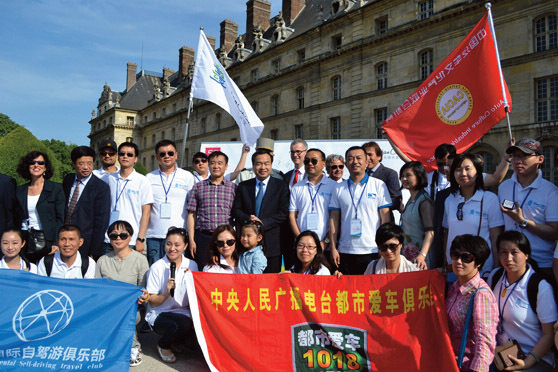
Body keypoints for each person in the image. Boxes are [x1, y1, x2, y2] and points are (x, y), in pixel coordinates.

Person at [487, 230, 557, 371]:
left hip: (534, 357)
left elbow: (549, 335)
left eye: (514, 252)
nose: (509, 258)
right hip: (501, 353)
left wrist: (527, 363)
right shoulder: (495, 276)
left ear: (526, 255)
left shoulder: (540, 286)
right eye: (503, 252)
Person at [498, 139, 558, 280]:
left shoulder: (551, 192)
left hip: (541, 265)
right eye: (515, 156)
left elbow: (555, 232)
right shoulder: (504, 187)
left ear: (540, 159)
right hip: (510, 265)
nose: (518, 161)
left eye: (524, 156)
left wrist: (523, 221)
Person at [329, 146, 392, 275]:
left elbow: (385, 218)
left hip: (372, 249)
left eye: (359, 158)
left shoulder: (378, 185)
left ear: (366, 162)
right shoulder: (338, 188)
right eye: (351, 159)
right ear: (346, 164)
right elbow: (334, 219)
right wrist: (334, 248)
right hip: (345, 250)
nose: (355, 162)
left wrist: (383, 246)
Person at [96, 220, 149, 367]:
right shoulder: (102, 260)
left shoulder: (140, 260)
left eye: (123, 235)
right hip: (108, 306)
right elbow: (97, 290)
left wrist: (143, 297)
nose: (118, 239)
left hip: (133, 307)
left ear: (130, 237)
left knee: (125, 315)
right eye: (114, 236)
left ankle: (133, 347)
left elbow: (144, 288)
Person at [142, 227, 198, 363]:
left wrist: (194, 315)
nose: (172, 248)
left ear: (185, 246)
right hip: (160, 312)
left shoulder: (192, 265)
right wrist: (167, 293)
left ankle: (176, 340)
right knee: (174, 326)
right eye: (168, 244)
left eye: (177, 245)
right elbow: (153, 302)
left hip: (182, 312)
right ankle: (163, 345)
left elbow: (194, 295)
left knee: (190, 336)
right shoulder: (157, 267)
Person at [443, 153, 504, 275]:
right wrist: (446, 261)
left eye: (467, 169)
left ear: (478, 172)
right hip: (454, 267)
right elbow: (447, 232)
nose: (463, 174)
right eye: (458, 170)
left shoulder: (490, 199)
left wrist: (497, 268)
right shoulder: (450, 200)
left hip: (481, 269)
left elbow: (495, 236)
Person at [446, 234, 498, 372]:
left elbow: (485, 340)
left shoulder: (481, 294)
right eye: (455, 255)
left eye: (466, 258)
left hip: (468, 366)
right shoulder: (453, 288)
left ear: (479, 262)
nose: (458, 261)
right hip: (451, 362)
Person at [232, 149, 289, 273]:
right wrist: (250, 220)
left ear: (271, 165)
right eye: (258, 164)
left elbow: (283, 213)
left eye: (266, 163)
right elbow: (236, 210)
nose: (263, 167)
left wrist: (262, 222)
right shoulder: (244, 186)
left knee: (270, 285)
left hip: (272, 245)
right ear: (253, 166)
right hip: (247, 247)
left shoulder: (281, 186)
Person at [146, 140, 194, 265]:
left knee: (177, 275)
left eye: (170, 153)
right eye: (162, 154)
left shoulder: (187, 176)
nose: (166, 156)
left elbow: (192, 209)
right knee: (155, 273)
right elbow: (145, 209)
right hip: (154, 235)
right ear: (157, 157)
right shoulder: (149, 178)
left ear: (176, 155)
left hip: (179, 236)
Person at [187, 151, 236, 268]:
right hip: (204, 238)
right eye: (213, 163)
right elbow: (191, 214)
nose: (216, 166)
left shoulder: (233, 188)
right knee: (203, 271)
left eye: (220, 163)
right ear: (209, 165)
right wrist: (192, 240)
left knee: (226, 272)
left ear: (226, 166)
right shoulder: (198, 187)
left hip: (226, 241)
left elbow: (237, 215)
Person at [289, 149, 338, 268]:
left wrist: (325, 242)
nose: (310, 164)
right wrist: (302, 242)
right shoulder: (297, 187)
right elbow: (292, 216)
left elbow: (336, 217)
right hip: (303, 250)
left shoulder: (334, 186)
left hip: (325, 247)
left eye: (314, 161)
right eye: (307, 161)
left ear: (323, 164)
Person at [15, 151, 65, 263]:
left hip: (46, 240)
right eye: (32, 162)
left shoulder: (56, 189)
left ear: (46, 167)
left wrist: (56, 242)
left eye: (40, 162)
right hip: (24, 239)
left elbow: (60, 218)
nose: (36, 165)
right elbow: (16, 218)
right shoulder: (20, 191)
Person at [103, 142, 153, 253]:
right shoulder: (109, 179)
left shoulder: (142, 181)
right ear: (118, 156)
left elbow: (146, 212)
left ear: (135, 159)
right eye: (122, 154)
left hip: (131, 240)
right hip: (109, 238)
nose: (125, 156)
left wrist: (140, 238)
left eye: (129, 155)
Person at [62, 146, 111, 260]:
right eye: (81, 163)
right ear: (74, 164)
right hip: (65, 239)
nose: (86, 167)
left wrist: (94, 250)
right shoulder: (68, 180)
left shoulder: (101, 187)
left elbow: (101, 221)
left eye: (89, 163)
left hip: (86, 242)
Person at [399, 161, 434, 270]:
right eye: (402, 176)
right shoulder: (411, 199)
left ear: (419, 176)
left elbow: (430, 232)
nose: (404, 179)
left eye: (408, 175)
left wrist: (422, 255)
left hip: (421, 260)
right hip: (409, 256)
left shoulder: (424, 201)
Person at [363, 141, 402, 212]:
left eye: (370, 154)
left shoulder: (390, 173)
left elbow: (396, 199)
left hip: (383, 218)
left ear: (379, 156)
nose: (367, 158)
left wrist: (374, 205)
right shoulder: (360, 175)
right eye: (364, 155)